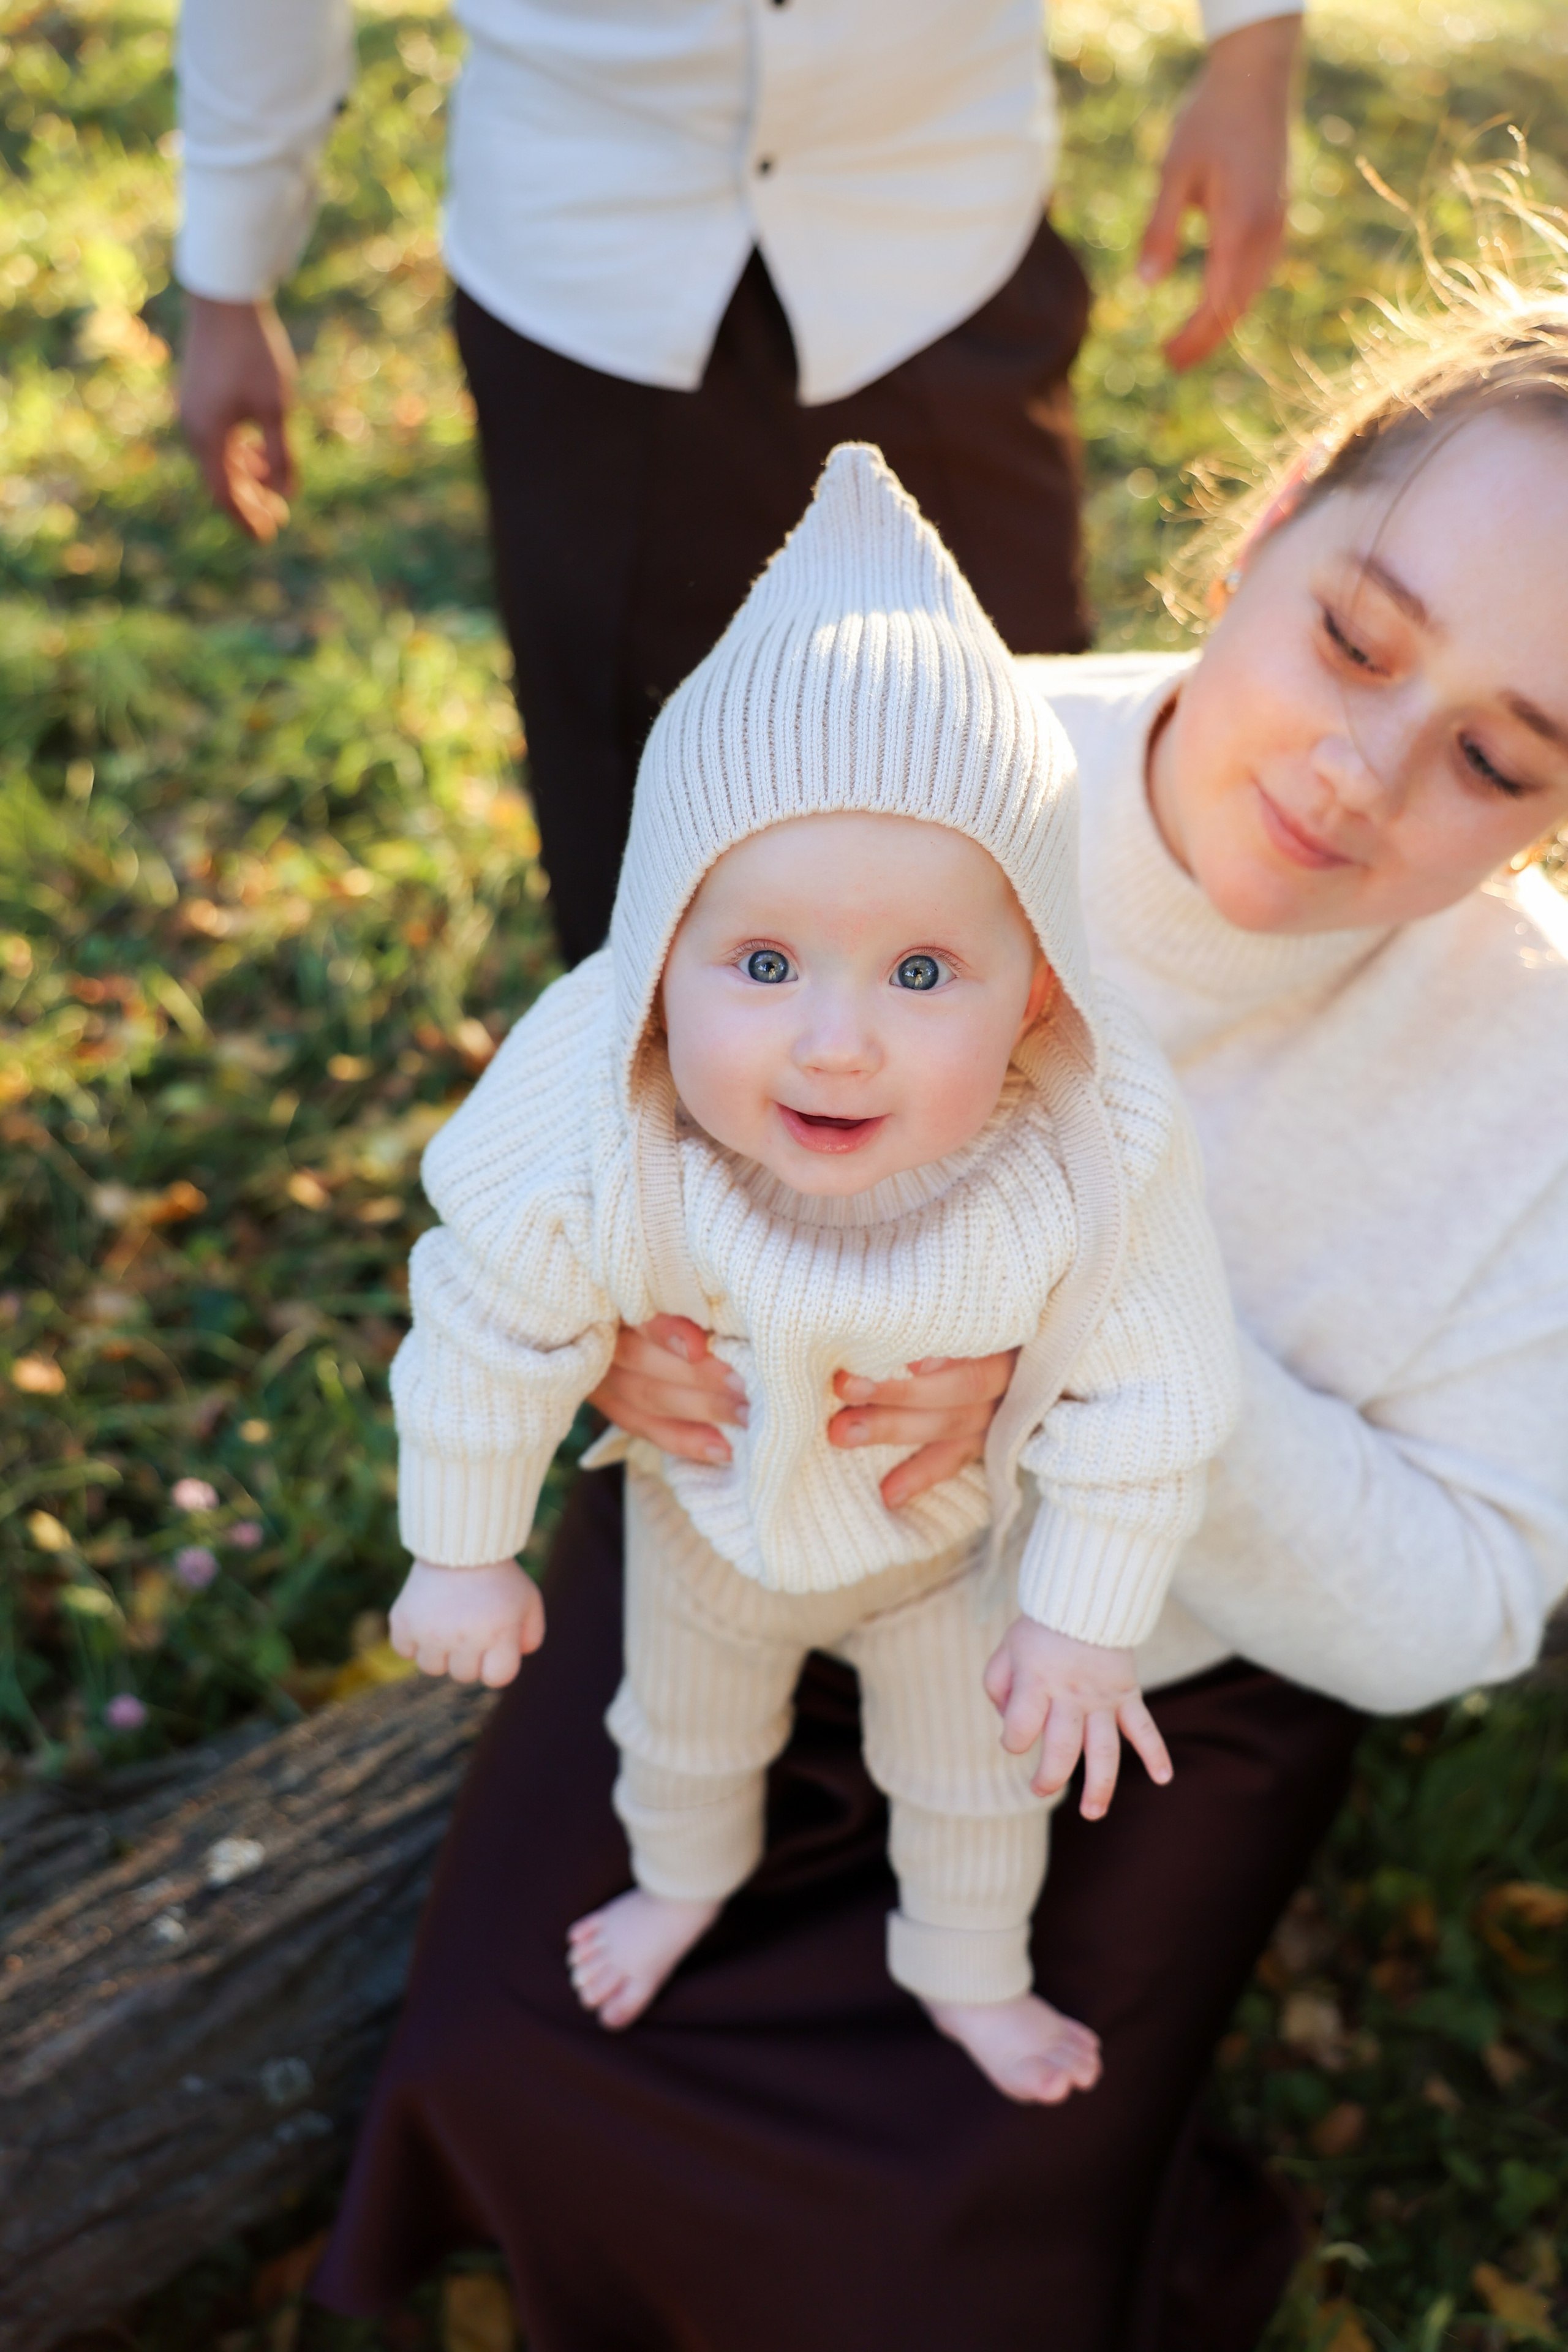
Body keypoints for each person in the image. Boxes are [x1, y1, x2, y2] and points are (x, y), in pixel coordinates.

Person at [312, 274, 1568, 2348]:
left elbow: (1466, 1601)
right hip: (736, 1530)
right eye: (1355, 636)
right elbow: (587, 1106)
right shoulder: (899, 772)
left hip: (1130, 1696)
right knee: (515, 2067)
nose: (1360, 767)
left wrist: (1089, 1376)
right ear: (1263, 528)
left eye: (1495, 758)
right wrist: (610, 1326)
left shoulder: (1530, 1086)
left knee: (930, 2266)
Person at [382, 443, 1238, 2105]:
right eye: (762, 962)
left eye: (924, 970)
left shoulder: (1089, 1134)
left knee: (978, 1780)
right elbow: (485, 1318)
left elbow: (1162, 1385)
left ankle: (967, 1974)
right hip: (703, 1514)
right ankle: (681, 1884)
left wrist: (1080, 1617)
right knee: (683, 1737)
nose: (834, 1043)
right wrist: (462, 1549)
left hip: (940, 1549)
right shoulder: (592, 1105)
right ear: (657, 957)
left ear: (1039, 999)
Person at [172, 0, 1304, 963]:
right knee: (642, 843)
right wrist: (230, 270)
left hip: (941, 220)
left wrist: (1251, 49)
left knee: (1010, 768)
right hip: (588, 265)